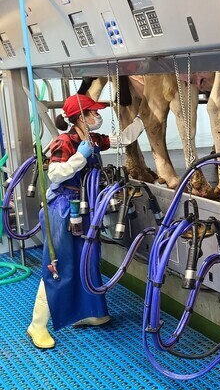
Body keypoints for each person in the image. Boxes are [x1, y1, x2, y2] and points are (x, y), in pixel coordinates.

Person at [27, 94, 145, 349]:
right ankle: (37, 325)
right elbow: (55, 174)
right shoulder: (64, 141)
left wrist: (143, 117)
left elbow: (122, 139)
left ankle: (90, 312)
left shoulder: (92, 139)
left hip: (84, 207)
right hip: (62, 208)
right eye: (93, 112)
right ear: (81, 117)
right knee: (58, 265)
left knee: (87, 260)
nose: (97, 116)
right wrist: (79, 157)